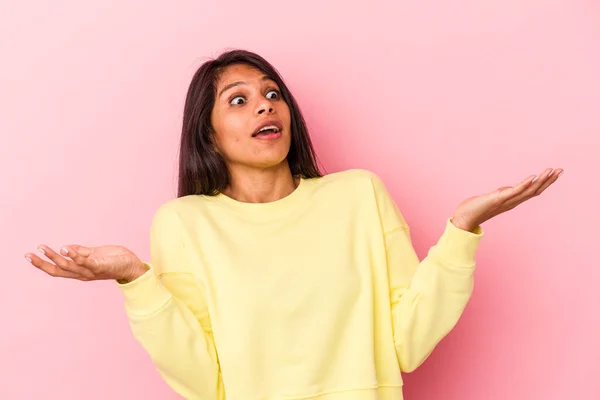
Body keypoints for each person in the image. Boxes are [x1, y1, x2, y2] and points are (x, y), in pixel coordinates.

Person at [25, 49, 563, 400]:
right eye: (239, 100)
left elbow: (407, 343)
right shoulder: (185, 223)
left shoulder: (359, 196)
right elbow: (202, 378)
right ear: (208, 135)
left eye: (272, 94)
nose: (265, 106)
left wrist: (462, 231)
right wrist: (135, 278)